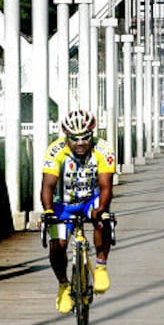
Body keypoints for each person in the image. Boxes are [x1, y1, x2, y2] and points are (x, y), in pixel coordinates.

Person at [40, 109, 116, 314]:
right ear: (67, 137)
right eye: (75, 139)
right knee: (58, 245)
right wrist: (47, 211)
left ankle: (100, 266)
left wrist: (101, 210)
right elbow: (47, 185)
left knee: (103, 218)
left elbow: (107, 186)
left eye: (85, 138)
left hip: (91, 199)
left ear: (92, 134)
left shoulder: (103, 149)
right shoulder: (55, 151)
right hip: (63, 203)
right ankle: (64, 285)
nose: (80, 143)